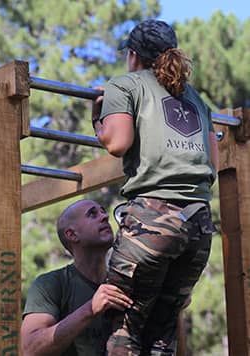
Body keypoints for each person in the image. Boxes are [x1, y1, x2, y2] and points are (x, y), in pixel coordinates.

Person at [91, 19, 219, 355]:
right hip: (200, 225)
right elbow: (212, 165)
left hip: (153, 220)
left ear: (133, 55)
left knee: (122, 326)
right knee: (163, 335)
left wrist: (99, 120)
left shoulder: (126, 85)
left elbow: (117, 143)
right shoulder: (197, 100)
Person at [21, 199, 133, 356]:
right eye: (92, 214)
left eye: (102, 211)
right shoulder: (50, 284)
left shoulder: (127, 283)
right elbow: (30, 349)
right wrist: (90, 309)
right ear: (72, 234)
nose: (105, 216)